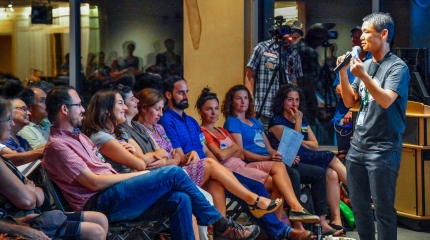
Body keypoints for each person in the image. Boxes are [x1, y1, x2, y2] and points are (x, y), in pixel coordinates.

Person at [41, 85, 260, 240]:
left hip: (114, 193)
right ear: (64, 109)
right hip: (99, 202)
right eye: (78, 105)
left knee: (181, 198)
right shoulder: (59, 146)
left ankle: (222, 226)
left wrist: (143, 168)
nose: (82, 109)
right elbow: (94, 183)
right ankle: (221, 225)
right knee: (173, 174)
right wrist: (141, 175)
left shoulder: (78, 137)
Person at [160, 76, 312, 240]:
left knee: (231, 182)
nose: (185, 96)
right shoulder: (167, 120)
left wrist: (219, 167)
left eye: (186, 92)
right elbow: (179, 155)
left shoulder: (191, 121)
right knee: (254, 187)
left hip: (209, 169)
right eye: (180, 93)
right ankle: (276, 226)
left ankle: (225, 233)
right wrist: (219, 158)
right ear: (169, 95)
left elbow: (208, 151)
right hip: (187, 172)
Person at [222, 85, 344, 236]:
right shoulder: (233, 122)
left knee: (319, 173)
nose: (243, 102)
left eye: (246, 98)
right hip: (253, 163)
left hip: (272, 160)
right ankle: (297, 224)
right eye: (238, 98)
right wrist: (269, 158)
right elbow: (240, 152)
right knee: (293, 174)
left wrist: (283, 156)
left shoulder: (256, 122)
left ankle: (323, 223)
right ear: (231, 102)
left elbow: (269, 148)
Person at [196, 87, 319, 226]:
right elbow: (223, 154)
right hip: (236, 167)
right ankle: (281, 226)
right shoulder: (221, 125)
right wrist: (235, 149)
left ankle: (292, 213)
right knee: (288, 176)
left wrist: (281, 156)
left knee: (283, 171)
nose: (214, 112)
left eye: (216, 108)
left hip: (248, 162)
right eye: (209, 109)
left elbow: (246, 151)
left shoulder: (228, 129)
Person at [338, 12, 410, 240]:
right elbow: (351, 101)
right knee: (359, 208)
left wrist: (365, 77)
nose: (362, 37)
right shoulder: (366, 64)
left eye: (367, 31)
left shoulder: (397, 67)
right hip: (358, 146)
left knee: (383, 210)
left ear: (384, 34)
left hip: (383, 148)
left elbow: (386, 100)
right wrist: (343, 72)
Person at [0, 97, 108, 240]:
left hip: (20, 218)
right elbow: (28, 200)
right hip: (17, 222)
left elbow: (35, 197)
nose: (12, 123)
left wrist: (30, 190)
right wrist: (30, 189)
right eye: (8, 119)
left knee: (99, 219)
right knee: (95, 231)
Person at [245, 20, 303, 128]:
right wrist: (250, 103)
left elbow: (294, 82)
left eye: (295, 38)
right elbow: (249, 76)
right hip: (263, 109)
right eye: (289, 35)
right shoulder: (262, 48)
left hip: (284, 113)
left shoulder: (294, 54)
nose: (290, 39)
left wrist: (294, 107)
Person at [332, 26, 372, 155]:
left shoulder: (373, 62)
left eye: (358, 36)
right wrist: (350, 96)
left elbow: (369, 92)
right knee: (343, 155)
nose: (355, 39)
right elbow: (338, 88)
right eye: (353, 36)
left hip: (364, 118)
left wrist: (353, 108)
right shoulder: (347, 59)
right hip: (343, 115)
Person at [293, 24, 330, 124]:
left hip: (292, 93)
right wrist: (315, 104)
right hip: (306, 95)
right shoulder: (310, 52)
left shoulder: (294, 47)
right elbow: (311, 80)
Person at [0, 98, 44, 166]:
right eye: (24, 109)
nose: (29, 113)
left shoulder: (20, 138)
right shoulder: (3, 140)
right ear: (11, 111)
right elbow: (16, 159)